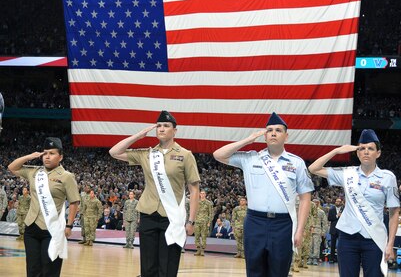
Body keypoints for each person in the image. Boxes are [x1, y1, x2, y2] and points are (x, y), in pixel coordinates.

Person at [213, 112, 314, 277]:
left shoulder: (296, 163)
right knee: (254, 271)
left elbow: (305, 198)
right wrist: (247, 140)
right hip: (255, 222)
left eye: (278, 130)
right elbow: (218, 155)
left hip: (283, 225)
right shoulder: (251, 158)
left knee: (279, 271)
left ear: (286, 136)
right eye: (270, 130)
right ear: (264, 135)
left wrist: (300, 230)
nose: (273, 133)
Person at [109, 110, 200, 277]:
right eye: (159, 126)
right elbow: (114, 152)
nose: (162, 129)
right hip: (148, 215)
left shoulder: (185, 155)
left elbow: (194, 190)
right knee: (148, 267)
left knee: (167, 268)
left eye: (166, 126)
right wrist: (138, 136)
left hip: (171, 217)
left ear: (175, 130)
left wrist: (191, 221)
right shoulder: (147, 154)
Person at [308, 129, 400, 277]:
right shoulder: (347, 173)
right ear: (357, 153)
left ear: (378, 153)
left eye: (370, 148)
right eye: (362, 148)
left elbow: (394, 213)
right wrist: (336, 151)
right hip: (348, 237)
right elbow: (313, 168)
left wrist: (390, 244)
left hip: (374, 239)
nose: (366, 152)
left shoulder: (388, 178)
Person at [7, 137, 80, 277]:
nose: (47, 156)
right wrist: (30, 156)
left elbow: (74, 202)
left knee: (49, 269)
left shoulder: (66, 176)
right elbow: (12, 167)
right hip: (31, 227)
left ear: (61, 157)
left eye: (52, 153)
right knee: (33, 269)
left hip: (52, 229)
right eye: (45, 153)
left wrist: (69, 225)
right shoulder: (34, 172)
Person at [308, 199, 328, 266]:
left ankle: (315, 258)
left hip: (317, 230)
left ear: (318, 203)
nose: (314, 204)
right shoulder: (308, 211)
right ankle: (309, 258)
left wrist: (324, 231)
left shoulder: (321, 212)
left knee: (316, 245)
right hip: (309, 230)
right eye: (313, 203)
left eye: (316, 203)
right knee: (309, 245)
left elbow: (325, 222)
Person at [194, 189, 213, 256]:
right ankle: (198, 249)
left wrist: (209, 222)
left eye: (203, 193)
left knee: (203, 236)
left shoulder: (208, 203)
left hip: (204, 222)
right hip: (197, 221)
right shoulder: (197, 202)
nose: (202, 194)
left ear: (205, 194)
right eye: (201, 193)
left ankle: (202, 250)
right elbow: (194, 211)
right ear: (199, 194)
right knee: (196, 236)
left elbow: (210, 213)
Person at [327, 197, 344, 263]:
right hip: (333, 229)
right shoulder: (331, 209)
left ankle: (340, 259)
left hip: (341, 229)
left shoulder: (344, 209)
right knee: (333, 245)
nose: (338, 202)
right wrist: (337, 216)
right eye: (337, 201)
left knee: (341, 245)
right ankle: (331, 258)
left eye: (339, 201)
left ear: (341, 202)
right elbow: (329, 218)